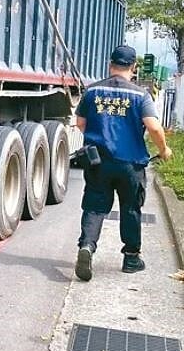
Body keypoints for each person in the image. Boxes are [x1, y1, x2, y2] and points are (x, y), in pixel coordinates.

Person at [73, 45, 173, 281]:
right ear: (134, 67)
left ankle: (87, 246)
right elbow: (153, 126)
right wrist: (164, 149)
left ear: (111, 64)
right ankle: (131, 258)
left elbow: (79, 123)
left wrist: (98, 134)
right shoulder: (140, 95)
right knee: (130, 208)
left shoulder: (92, 91)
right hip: (131, 164)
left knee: (95, 206)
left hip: (98, 161)